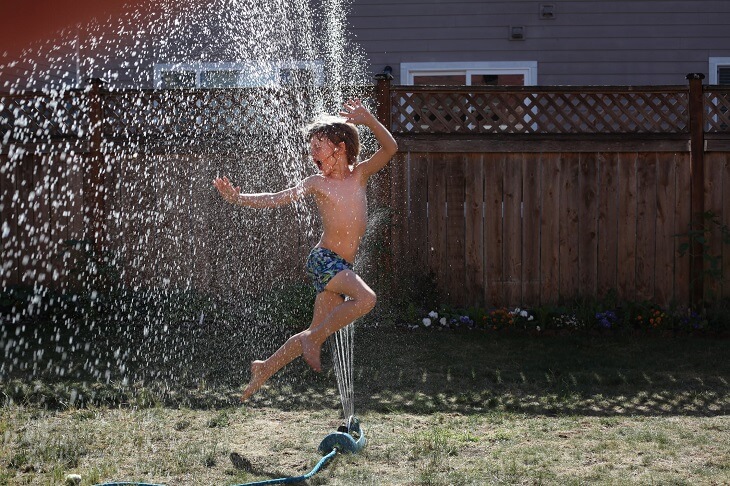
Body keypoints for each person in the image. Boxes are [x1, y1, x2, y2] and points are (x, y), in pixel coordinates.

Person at [213, 99, 398, 401]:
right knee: (366, 299)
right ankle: (314, 340)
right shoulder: (317, 182)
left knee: (314, 330)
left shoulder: (360, 175)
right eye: (311, 147)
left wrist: (370, 121)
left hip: (340, 266)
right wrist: (239, 198)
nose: (312, 152)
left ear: (339, 147)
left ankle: (263, 368)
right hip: (324, 260)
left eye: (318, 146)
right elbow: (277, 197)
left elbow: (391, 148)